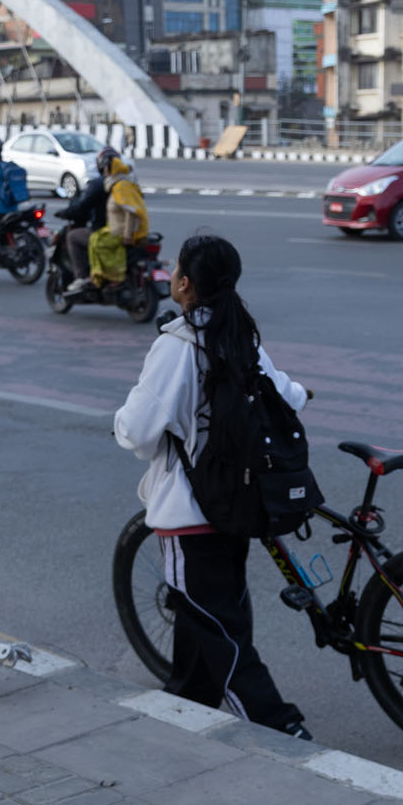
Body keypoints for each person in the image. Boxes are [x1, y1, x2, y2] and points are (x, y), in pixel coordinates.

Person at [112, 234, 312, 738]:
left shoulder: (176, 345)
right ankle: (187, 697)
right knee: (209, 611)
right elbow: (286, 391)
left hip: (190, 513)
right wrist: (304, 392)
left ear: (184, 283)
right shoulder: (240, 334)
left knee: (221, 632)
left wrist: (117, 423)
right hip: (238, 506)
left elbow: (137, 429)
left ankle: (282, 729)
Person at [58, 147, 117, 296]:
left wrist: (65, 213)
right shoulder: (128, 184)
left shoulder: (99, 184)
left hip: (105, 232)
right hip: (128, 231)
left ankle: (81, 277)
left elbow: (82, 206)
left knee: (72, 237)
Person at [87, 154, 148, 287]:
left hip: (121, 232)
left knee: (98, 242)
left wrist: (127, 236)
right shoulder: (119, 185)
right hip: (116, 228)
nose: (105, 172)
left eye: (106, 169)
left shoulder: (121, 187)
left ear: (111, 170)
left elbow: (131, 212)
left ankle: (113, 276)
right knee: (93, 238)